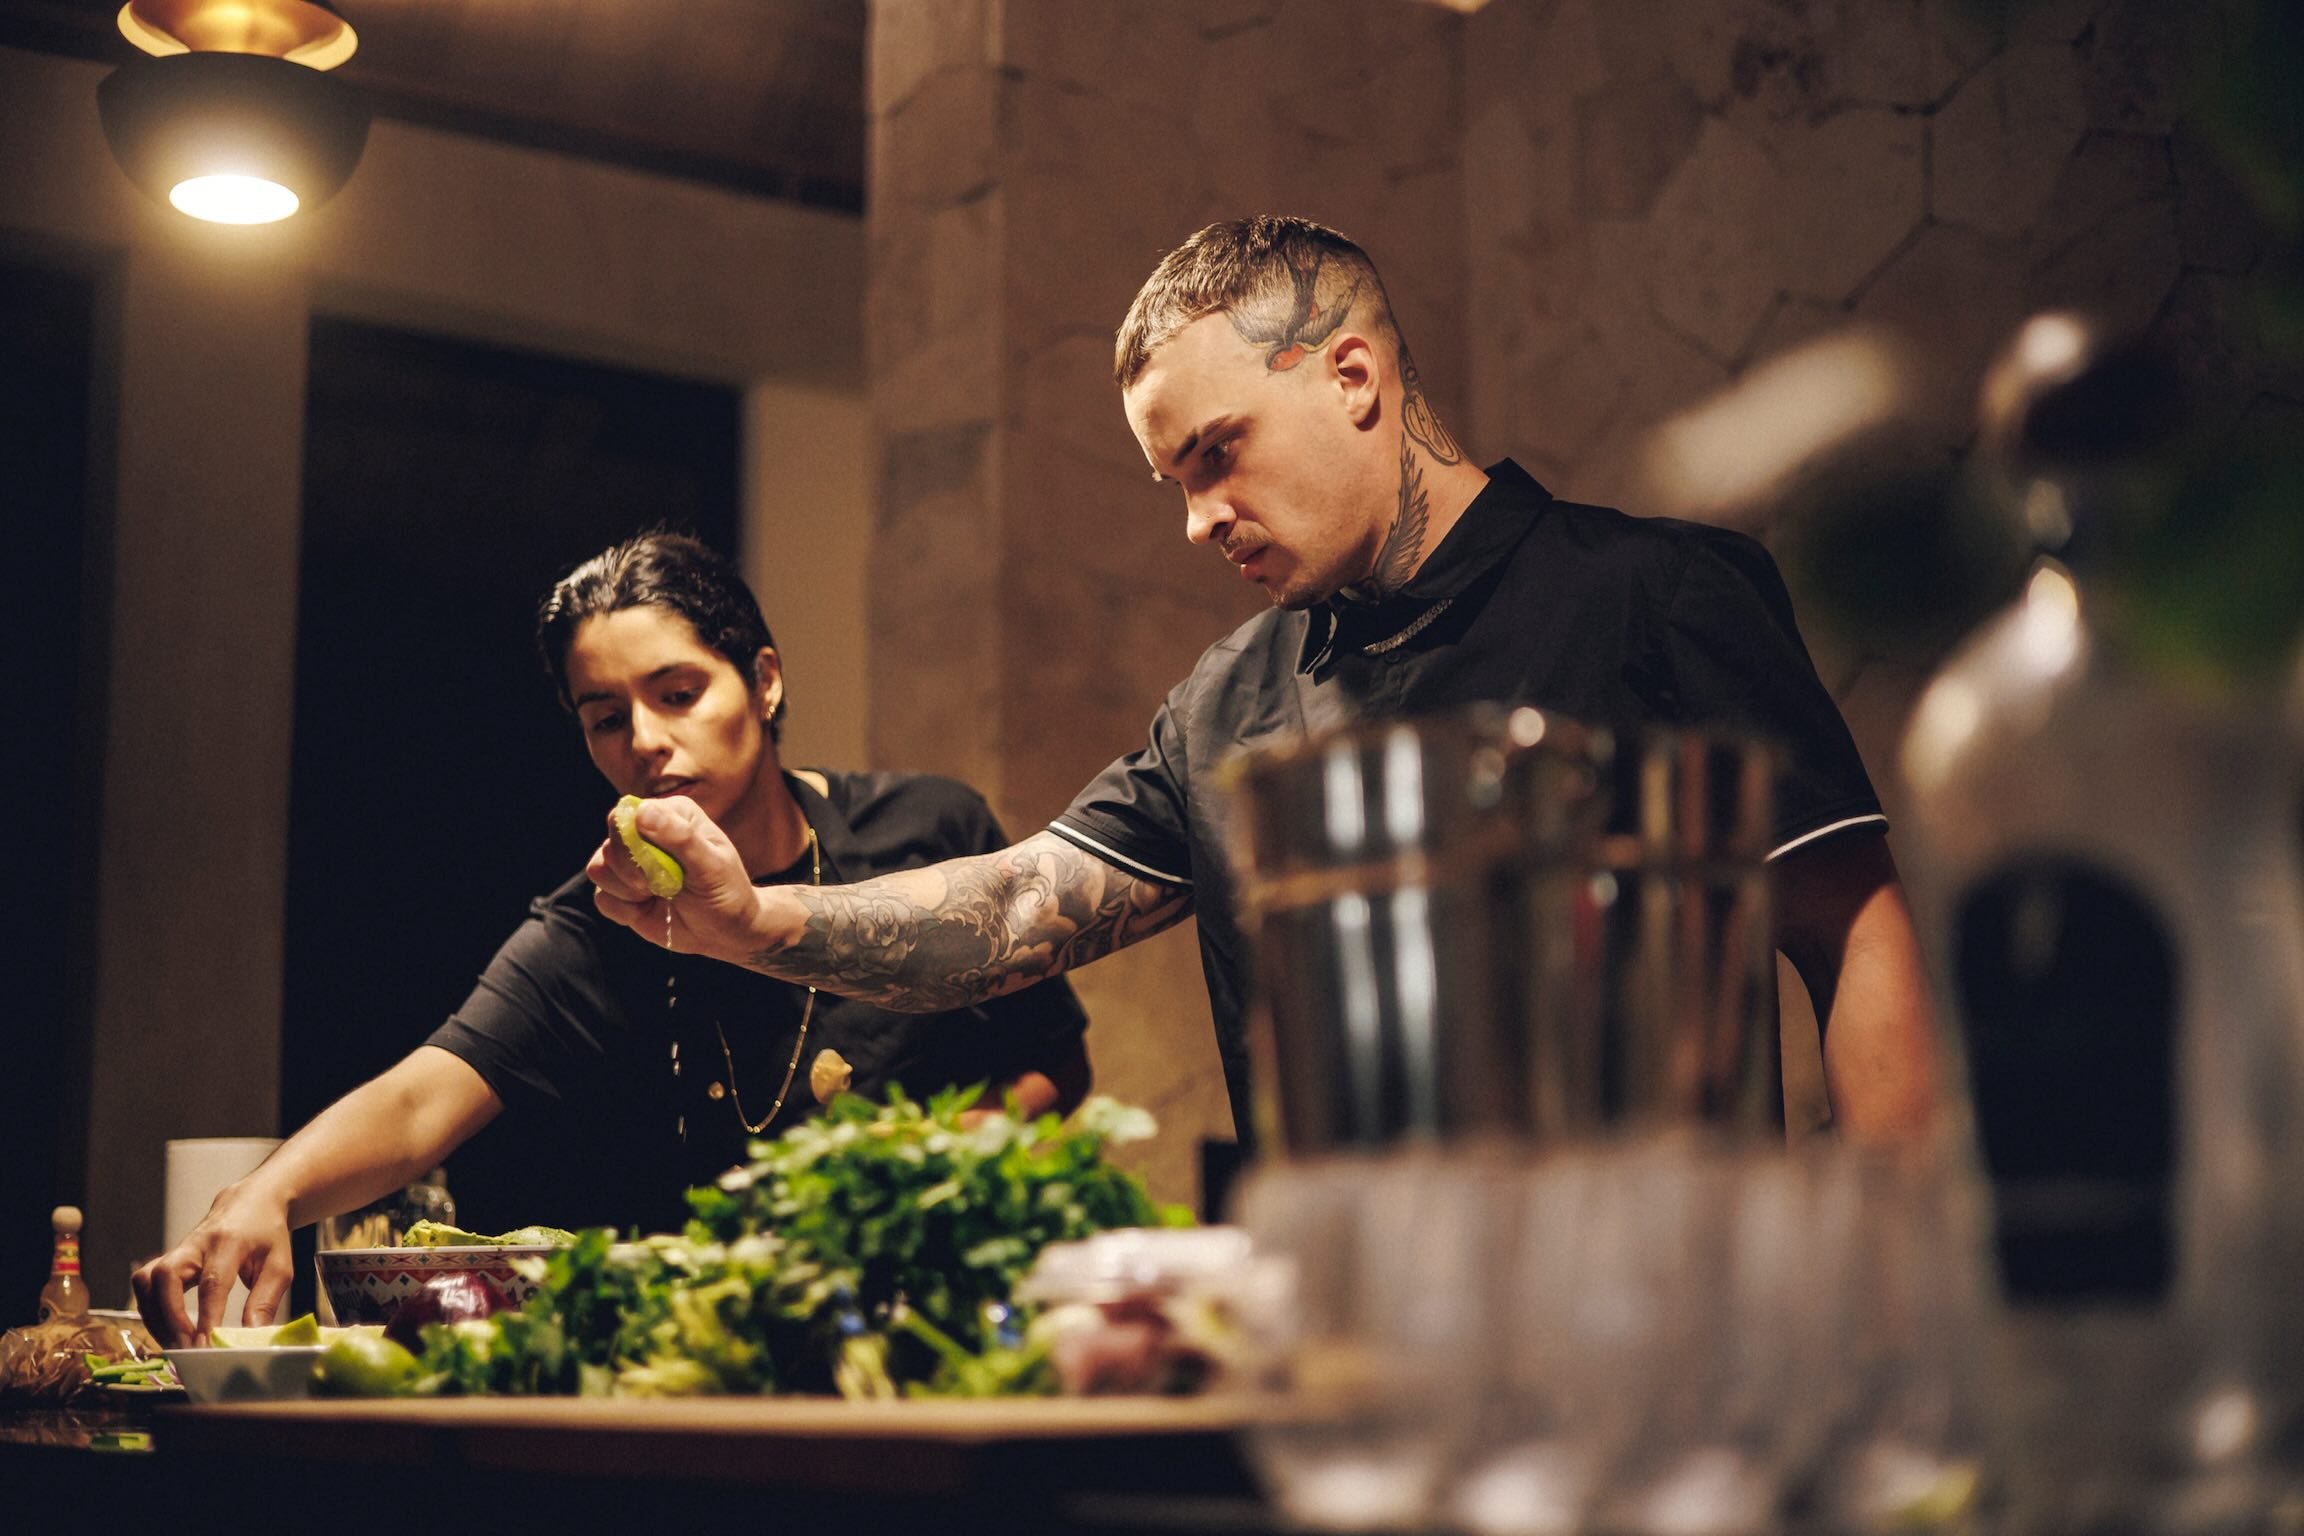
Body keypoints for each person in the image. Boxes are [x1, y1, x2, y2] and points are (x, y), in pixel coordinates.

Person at [588, 216, 1940, 1157]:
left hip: (1651, 1376)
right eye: (1176, 479)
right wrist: (755, 922)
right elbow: (1016, 908)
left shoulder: (1655, 595)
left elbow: (1854, 926)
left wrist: (1899, 1292)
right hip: (1342, 1376)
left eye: (1218, 453)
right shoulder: (1223, 707)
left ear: (1354, 374)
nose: (1199, 519)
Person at [135, 533, 1093, 1345]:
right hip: (721, 1356)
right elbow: (428, 1091)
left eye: (677, 693)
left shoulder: (928, 830)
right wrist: (267, 1194)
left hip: (942, 1327)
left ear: (762, 681)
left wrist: (933, 1173)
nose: (643, 741)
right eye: (605, 717)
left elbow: (1054, 1060)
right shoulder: (601, 917)